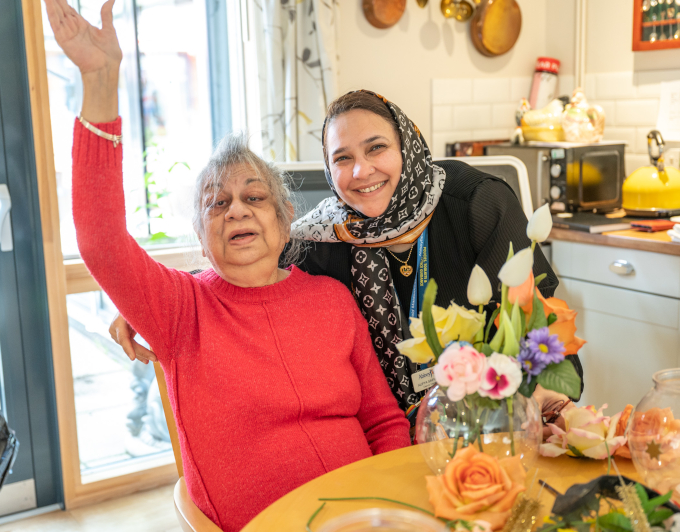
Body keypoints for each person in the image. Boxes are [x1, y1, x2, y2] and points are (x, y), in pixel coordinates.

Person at [43, 1, 411, 530]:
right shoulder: (180, 310)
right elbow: (100, 241)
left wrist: (391, 502)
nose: (236, 208)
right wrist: (101, 84)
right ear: (201, 232)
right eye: (217, 203)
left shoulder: (331, 299)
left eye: (254, 197)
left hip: (368, 514)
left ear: (286, 221)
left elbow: (382, 419)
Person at [112, 90, 583, 425]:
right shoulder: (325, 235)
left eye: (376, 147)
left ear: (407, 145)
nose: (361, 171)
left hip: (496, 413)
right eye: (342, 158)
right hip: (387, 431)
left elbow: (541, 321)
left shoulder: (477, 202)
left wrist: (530, 405)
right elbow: (253, 261)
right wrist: (154, 303)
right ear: (329, 170)